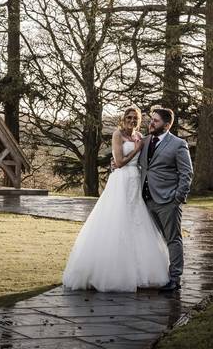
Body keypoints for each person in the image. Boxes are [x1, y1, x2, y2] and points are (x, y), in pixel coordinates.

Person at [61, 106, 170, 292]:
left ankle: (139, 271)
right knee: (117, 220)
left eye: (135, 118)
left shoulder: (140, 136)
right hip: (121, 181)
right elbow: (118, 163)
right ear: (123, 118)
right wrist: (136, 150)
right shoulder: (118, 135)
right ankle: (110, 272)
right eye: (129, 117)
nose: (131, 120)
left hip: (135, 181)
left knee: (136, 221)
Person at [138, 106, 193, 291]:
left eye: (156, 121)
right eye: (151, 119)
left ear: (167, 125)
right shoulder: (144, 141)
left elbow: (187, 173)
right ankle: (156, 274)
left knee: (173, 239)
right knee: (153, 239)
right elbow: (133, 163)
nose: (151, 123)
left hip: (168, 200)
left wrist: (178, 197)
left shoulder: (178, 144)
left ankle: (175, 278)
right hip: (146, 199)